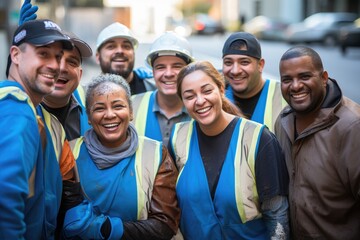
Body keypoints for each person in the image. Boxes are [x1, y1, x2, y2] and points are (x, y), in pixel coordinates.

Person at [170, 60, 290, 239]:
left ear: (221, 89)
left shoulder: (258, 138)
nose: (200, 101)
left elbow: (276, 214)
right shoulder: (177, 138)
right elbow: (172, 209)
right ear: (183, 102)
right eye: (189, 96)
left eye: (207, 90)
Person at [62, 73, 180, 239]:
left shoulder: (156, 153)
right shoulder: (70, 153)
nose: (109, 115)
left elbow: (165, 225)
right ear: (88, 117)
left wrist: (106, 228)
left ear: (131, 112)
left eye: (118, 106)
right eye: (99, 108)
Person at [275, 46, 360, 239]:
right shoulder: (283, 121)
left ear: (323, 78)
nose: (295, 86)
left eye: (304, 76)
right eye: (287, 80)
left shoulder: (352, 127)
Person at [0, 19, 74, 239]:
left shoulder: (30, 109)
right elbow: (5, 195)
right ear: (15, 55)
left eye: (58, 56)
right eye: (43, 53)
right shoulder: (16, 108)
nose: (55, 65)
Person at [131, 31, 193, 147]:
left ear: (188, 70)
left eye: (176, 66)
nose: (168, 73)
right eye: (160, 67)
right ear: (153, 72)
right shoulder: (132, 105)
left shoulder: (201, 107)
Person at [222, 32, 287, 132]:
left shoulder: (284, 95)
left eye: (244, 62)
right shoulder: (216, 96)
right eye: (228, 62)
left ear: (260, 65)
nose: (235, 71)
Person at [41, 31, 93, 140]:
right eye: (55, 58)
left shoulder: (93, 114)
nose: (62, 68)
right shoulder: (16, 108)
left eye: (72, 62)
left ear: (80, 74)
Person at [96, 22, 156, 95]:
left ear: (133, 54)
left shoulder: (154, 89)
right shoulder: (87, 96)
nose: (120, 51)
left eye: (126, 46)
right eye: (111, 46)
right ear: (98, 57)